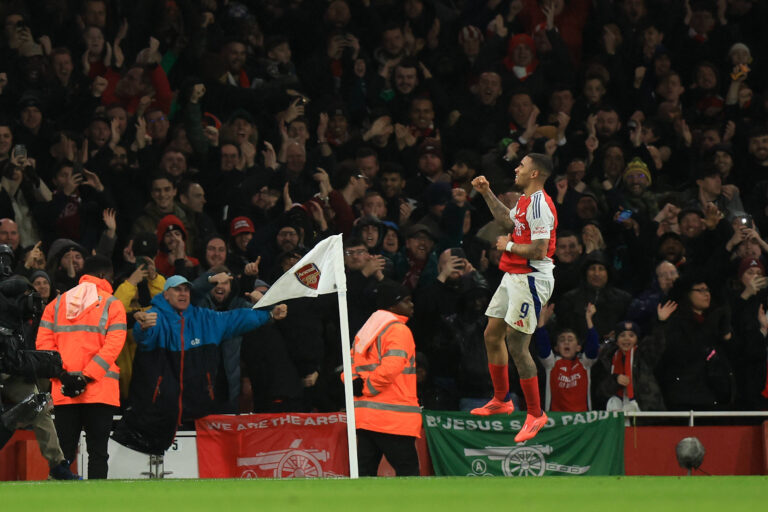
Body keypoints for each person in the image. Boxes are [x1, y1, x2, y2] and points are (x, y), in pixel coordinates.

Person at [112, 275, 287, 455]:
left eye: (186, 289)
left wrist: (269, 314)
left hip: (197, 411)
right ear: (165, 295)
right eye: (177, 289)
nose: (183, 294)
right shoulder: (155, 318)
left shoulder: (205, 319)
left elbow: (238, 318)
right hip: (157, 413)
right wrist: (142, 328)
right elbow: (144, 337)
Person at [469, 153, 557, 443]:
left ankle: (535, 413)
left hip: (532, 277)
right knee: (492, 335)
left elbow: (539, 250)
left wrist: (508, 246)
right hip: (513, 275)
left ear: (535, 173)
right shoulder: (524, 200)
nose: (516, 168)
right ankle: (502, 399)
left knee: (517, 345)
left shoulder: (541, 205)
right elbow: (509, 223)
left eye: (522, 165)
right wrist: (486, 193)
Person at [36, 255, 126, 479]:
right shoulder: (112, 304)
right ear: (104, 276)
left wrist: (64, 376)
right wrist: (85, 378)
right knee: (98, 453)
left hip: (64, 391)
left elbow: (44, 347)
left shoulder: (56, 304)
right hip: (100, 390)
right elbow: (112, 347)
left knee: (64, 454)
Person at [350, 280, 421, 476]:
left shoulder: (365, 331)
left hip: (365, 418)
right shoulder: (398, 329)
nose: (411, 304)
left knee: (365, 475)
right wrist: (368, 388)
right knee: (409, 475)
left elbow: (350, 366)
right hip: (394, 419)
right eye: (407, 301)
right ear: (392, 305)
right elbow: (392, 366)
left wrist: (354, 383)